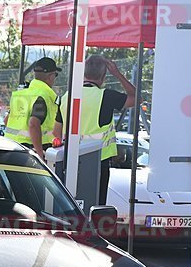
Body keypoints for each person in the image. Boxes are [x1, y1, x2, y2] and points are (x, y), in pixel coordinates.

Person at [54, 55, 136, 205]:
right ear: (104, 76)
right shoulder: (106, 96)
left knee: (70, 205)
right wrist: (117, 74)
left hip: (70, 160)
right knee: (95, 206)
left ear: (84, 73)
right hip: (98, 162)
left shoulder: (67, 96)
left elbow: (56, 131)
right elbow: (136, 97)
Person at [4, 57, 62, 162]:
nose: (55, 78)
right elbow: (33, 124)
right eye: (55, 75)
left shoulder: (21, 94)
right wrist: (39, 154)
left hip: (12, 148)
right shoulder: (43, 96)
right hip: (31, 152)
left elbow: (6, 121)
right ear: (50, 76)